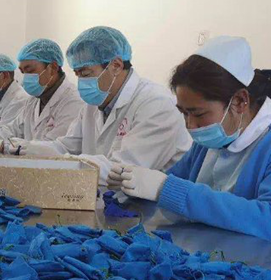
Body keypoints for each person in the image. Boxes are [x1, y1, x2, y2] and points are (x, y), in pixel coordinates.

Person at [109, 36, 271, 258]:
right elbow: (175, 181)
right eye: (184, 113)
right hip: (221, 257)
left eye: (198, 114)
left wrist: (165, 188)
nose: (190, 125)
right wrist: (135, 185)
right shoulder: (213, 138)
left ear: (240, 101)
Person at [16, 26, 191, 185]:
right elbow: (67, 146)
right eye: (77, 74)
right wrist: (27, 149)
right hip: (105, 198)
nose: (81, 82)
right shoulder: (93, 104)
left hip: (150, 206)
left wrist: (65, 162)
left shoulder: (156, 103)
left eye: (86, 73)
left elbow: (123, 170)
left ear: (116, 66)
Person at [0, 39, 84, 153]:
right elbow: (12, 130)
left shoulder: (73, 101)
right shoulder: (34, 100)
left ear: (53, 68)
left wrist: (2, 146)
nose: (25, 78)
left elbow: (54, 150)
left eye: (30, 71)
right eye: (23, 72)